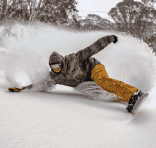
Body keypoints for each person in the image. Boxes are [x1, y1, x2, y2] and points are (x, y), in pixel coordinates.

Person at [9, 35, 146, 113]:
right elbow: (40, 84)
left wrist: (109, 39)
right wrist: (22, 89)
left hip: (93, 68)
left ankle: (134, 94)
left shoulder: (75, 58)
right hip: (85, 82)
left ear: (62, 62)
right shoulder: (55, 76)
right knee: (100, 94)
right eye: (53, 67)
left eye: (58, 65)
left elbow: (93, 48)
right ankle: (124, 97)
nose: (56, 69)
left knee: (103, 82)